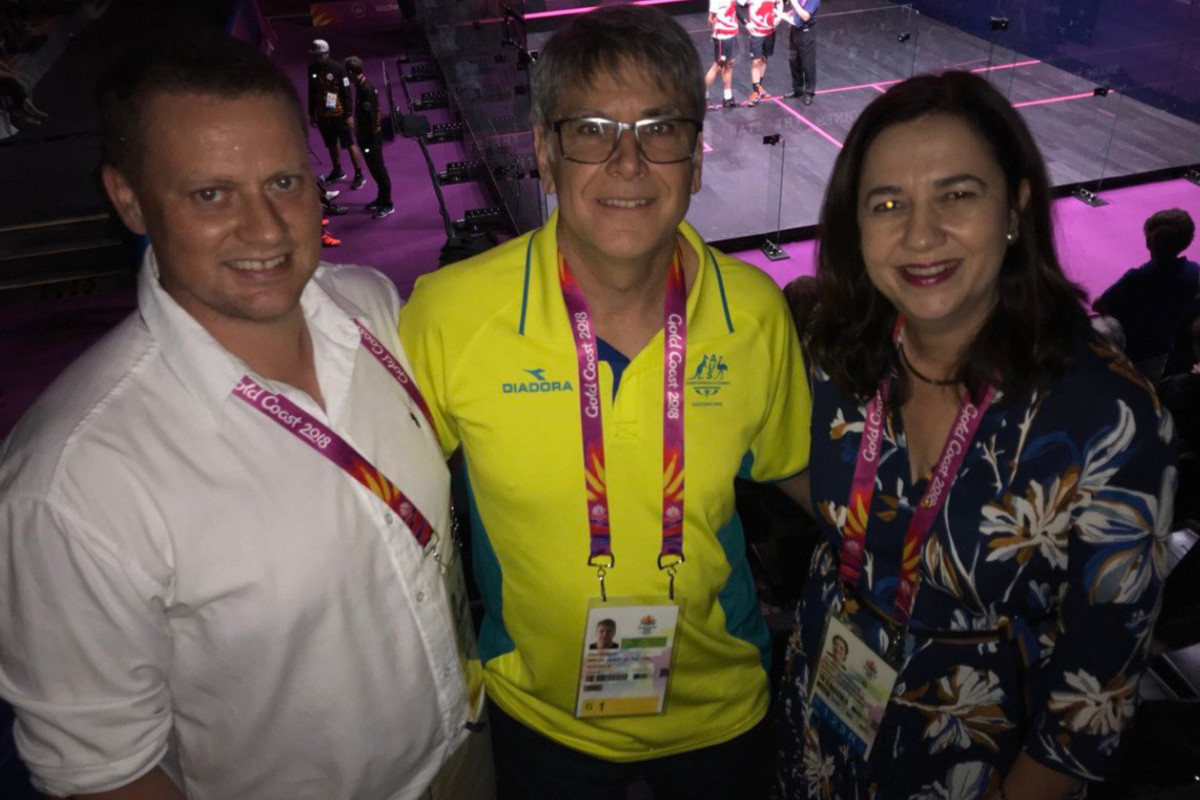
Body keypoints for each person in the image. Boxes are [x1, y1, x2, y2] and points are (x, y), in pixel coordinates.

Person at [0, 32, 492, 800]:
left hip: (467, 756)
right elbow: (104, 773)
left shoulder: (369, 306)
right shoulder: (72, 484)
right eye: (210, 194)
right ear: (128, 198)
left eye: (285, 181)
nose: (266, 229)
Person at [398, 6, 811, 800]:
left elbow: (804, 475)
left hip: (722, 712)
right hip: (541, 719)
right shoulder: (447, 316)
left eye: (660, 129)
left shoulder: (755, 311)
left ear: (695, 156)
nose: (628, 163)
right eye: (590, 130)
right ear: (544, 157)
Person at [776, 71, 1176, 800]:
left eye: (958, 195)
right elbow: (852, 512)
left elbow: (1100, 684)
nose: (921, 234)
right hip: (825, 712)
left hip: (979, 759)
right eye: (888, 203)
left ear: (1017, 206)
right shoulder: (837, 358)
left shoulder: (1109, 415)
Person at [1093, 209, 1199, 381]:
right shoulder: (1193, 272)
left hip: (1130, 348)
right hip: (1163, 348)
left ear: (1149, 242)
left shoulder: (1138, 277)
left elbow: (1098, 305)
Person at [307, 38, 366, 188]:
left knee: (349, 143)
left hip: (338, 113)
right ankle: (337, 170)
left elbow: (346, 93)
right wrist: (311, 113)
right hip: (322, 114)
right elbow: (311, 92)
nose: (317, 58)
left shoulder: (339, 69)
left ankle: (359, 174)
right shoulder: (312, 69)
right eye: (315, 55)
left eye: (320, 55)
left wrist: (348, 114)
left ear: (327, 53)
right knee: (331, 143)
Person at [345, 55, 394, 220]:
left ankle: (387, 204)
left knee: (379, 170)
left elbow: (372, 118)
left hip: (371, 139)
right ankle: (381, 198)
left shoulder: (365, 89)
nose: (347, 76)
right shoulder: (361, 86)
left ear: (352, 72)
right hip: (367, 137)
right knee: (374, 170)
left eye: (348, 72)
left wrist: (368, 139)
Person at [740, 0, 778, 106]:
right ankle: (755, 92)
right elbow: (736, 6)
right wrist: (746, 23)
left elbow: (780, 3)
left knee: (764, 59)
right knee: (756, 62)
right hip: (757, 33)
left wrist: (778, 18)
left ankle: (759, 87)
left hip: (770, 32)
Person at [780, 0, 818, 105]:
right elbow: (795, 10)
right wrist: (787, 14)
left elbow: (805, 16)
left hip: (805, 33)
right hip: (795, 30)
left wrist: (794, 3)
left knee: (807, 63)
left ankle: (809, 92)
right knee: (793, 60)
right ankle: (797, 88)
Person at [705, 0, 740, 109]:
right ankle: (702, 98)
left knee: (728, 65)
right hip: (723, 35)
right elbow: (711, 19)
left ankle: (728, 98)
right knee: (718, 66)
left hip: (731, 33)